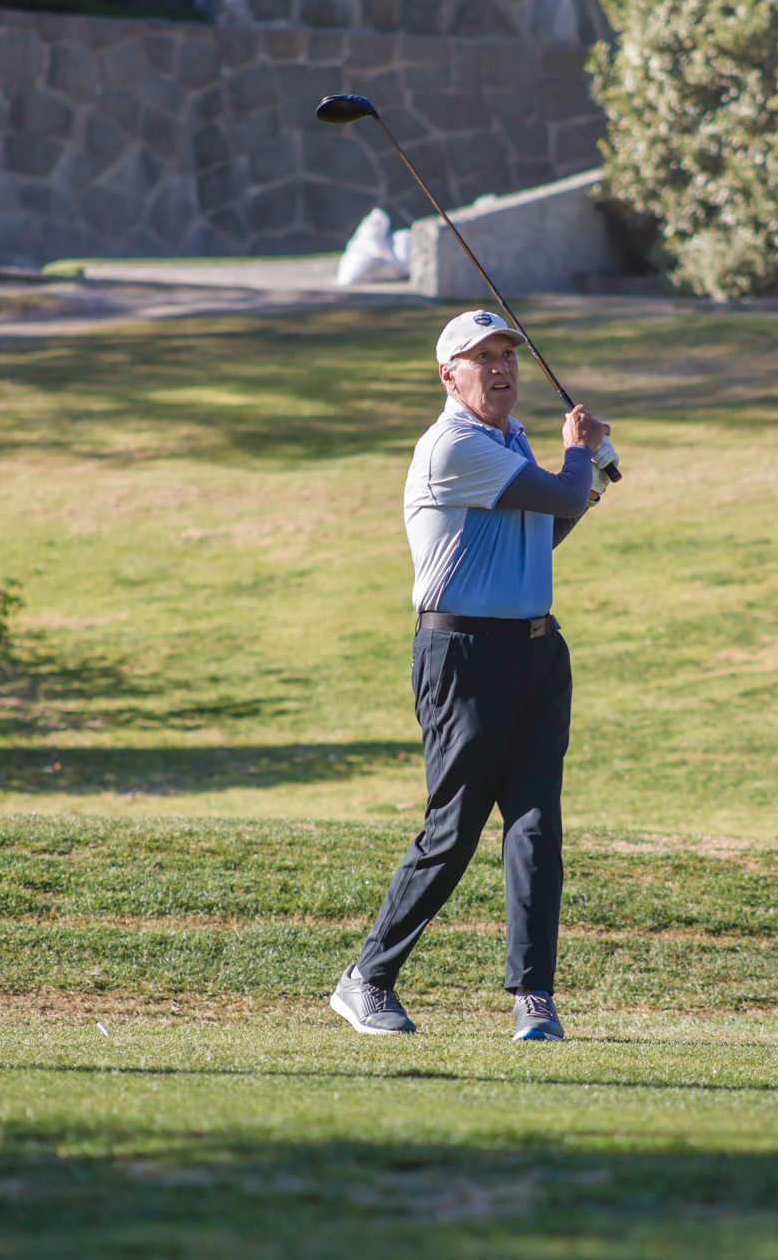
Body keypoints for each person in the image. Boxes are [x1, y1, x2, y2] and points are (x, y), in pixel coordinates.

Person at [329, 309, 611, 1041]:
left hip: (537, 651)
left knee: (536, 826)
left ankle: (534, 997)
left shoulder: (509, 439)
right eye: (481, 357)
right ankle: (367, 978)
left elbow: (547, 528)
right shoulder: (452, 445)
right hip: (463, 655)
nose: (501, 367)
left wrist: (586, 481)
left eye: (507, 354)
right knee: (454, 828)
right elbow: (558, 494)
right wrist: (579, 455)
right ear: (448, 376)